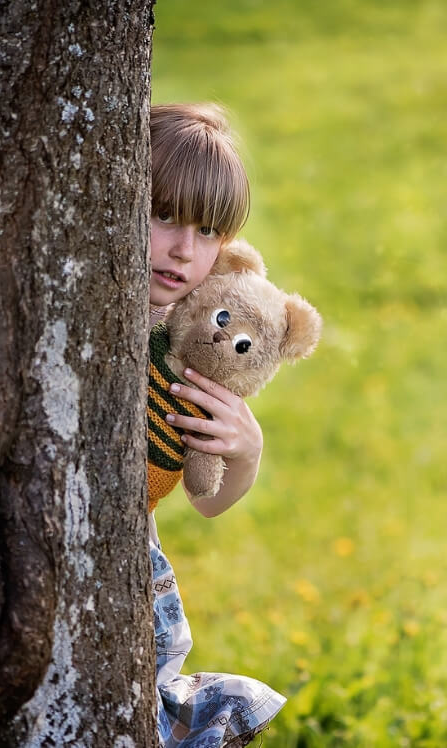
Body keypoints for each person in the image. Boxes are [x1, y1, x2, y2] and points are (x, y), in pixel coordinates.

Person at [146, 102, 286, 748]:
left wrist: (247, 456)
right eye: (164, 216)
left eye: (207, 232)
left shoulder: (196, 334)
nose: (182, 250)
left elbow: (208, 506)